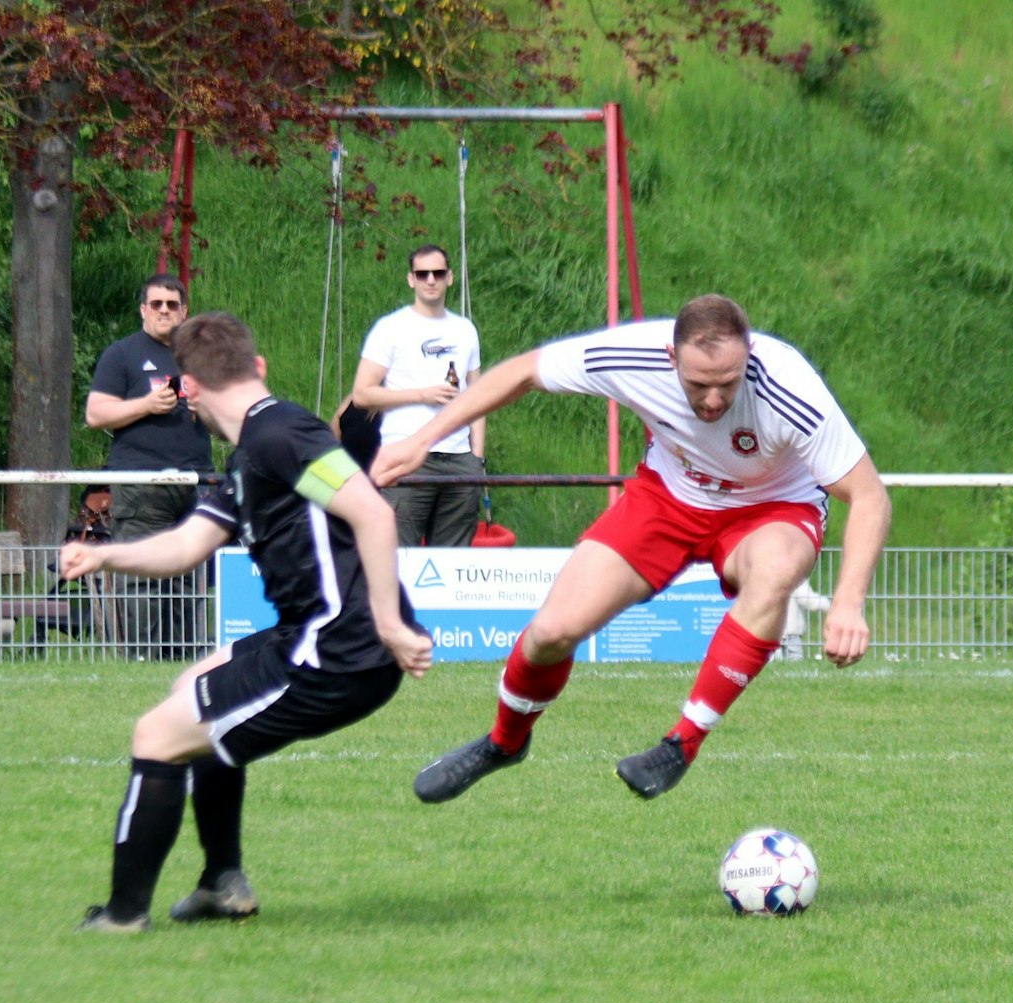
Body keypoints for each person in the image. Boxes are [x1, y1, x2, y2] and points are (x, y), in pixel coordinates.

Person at [372, 294, 890, 802]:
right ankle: (504, 743)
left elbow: (869, 496)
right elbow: (523, 371)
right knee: (552, 632)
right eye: (699, 384)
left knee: (774, 572)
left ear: (749, 355)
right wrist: (422, 440)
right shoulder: (635, 355)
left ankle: (681, 743)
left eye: (728, 383)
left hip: (771, 507)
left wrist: (848, 603)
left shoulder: (788, 386)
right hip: (667, 498)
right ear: (671, 357)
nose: (713, 400)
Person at [69, 311, 433, 933]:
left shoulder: (280, 436)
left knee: (156, 735)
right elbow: (186, 546)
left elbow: (372, 513)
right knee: (193, 689)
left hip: (335, 652)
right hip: (317, 637)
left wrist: (390, 625)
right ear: (256, 367)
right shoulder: (253, 453)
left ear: (188, 389)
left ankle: (123, 916)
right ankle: (221, 883)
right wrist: (104, 555)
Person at [85, 273, 216, 659]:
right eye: (156, 304)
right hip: (141, 485)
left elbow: (228, 421)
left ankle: (182, 661)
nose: (164, 311)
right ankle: (143, 661)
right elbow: (95, 414)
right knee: (143, 577)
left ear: (184, 311)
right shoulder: (122, 354)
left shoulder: (200, 358)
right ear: (143, 310)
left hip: (195, 484)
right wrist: (146, 405)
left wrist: (206, 409)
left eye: (172, 305)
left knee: (188, 578)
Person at [350, 244, 485, 547]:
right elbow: (362, 394)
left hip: (459, 457)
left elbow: (478, 396)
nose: (431, 280)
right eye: (423, 274)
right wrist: (422, 395)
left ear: (450, 277)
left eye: (438, 273)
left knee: (453, 560)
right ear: (411, 279)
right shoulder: (390, 328)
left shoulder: (465, 330)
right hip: (405, 453)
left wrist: (477, 455)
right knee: (400, 554)